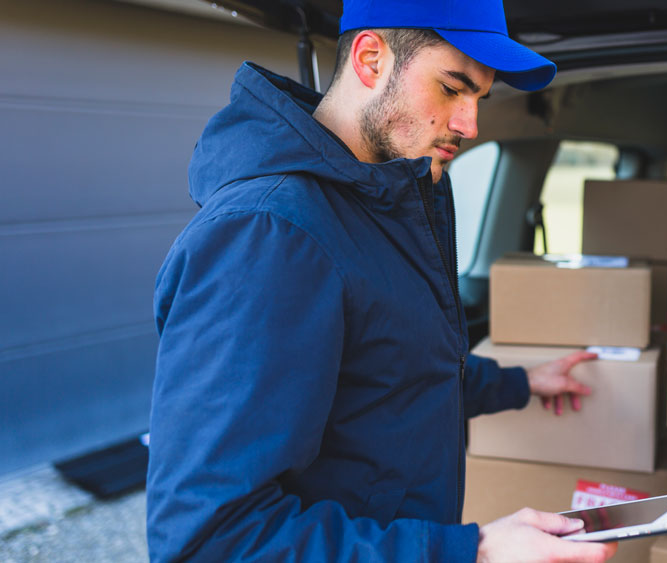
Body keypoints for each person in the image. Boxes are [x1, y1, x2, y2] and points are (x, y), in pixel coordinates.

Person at [145, 0, 618, 561]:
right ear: (371, 60)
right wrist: (475, 551)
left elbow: (395, 372)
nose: (470, 124)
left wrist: (520, 383)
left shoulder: (384, 205)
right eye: (452, 88)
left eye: (478, 98)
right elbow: (209, 539)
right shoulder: (269, 235)